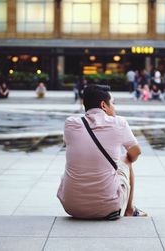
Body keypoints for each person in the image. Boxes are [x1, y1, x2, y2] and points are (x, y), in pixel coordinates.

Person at [57, 84, 146, 219]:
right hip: (108, 208)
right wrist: (119, 163)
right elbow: (136, 152)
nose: (115, 108)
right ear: (104, 105)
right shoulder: (119, 123)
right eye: (113, 103)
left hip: (71, 207)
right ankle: (129, 209)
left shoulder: (70, 123)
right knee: (126, 160)